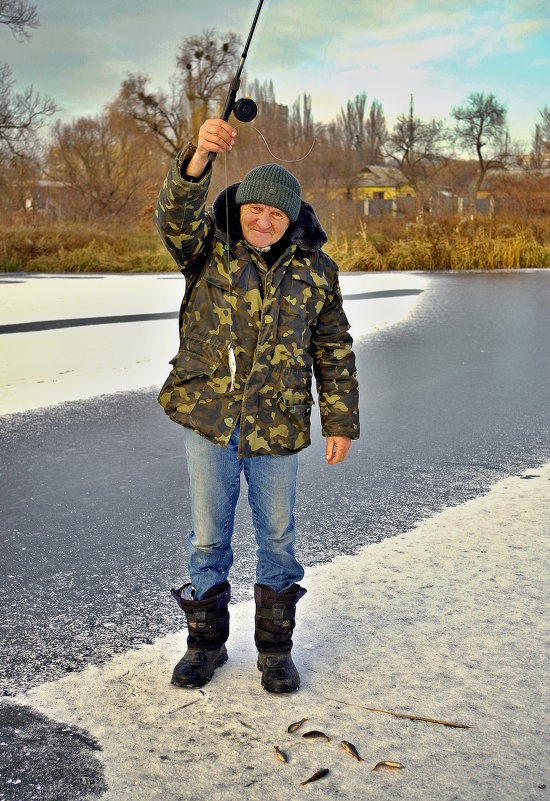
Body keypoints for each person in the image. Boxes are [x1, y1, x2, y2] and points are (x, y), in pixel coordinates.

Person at [155, 117, 359, 694]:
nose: (264, 219)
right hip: (209, 420)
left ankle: (274, 652)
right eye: (255, 209)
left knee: (276, 539)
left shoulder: (316, 272)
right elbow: (174, 218)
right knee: (208, 539)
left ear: (291, 218)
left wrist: (339, 421)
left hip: (279, 425)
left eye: (276, 213)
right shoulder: (208, 252)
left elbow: (333, 349)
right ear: (240, 209)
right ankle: (205, 647)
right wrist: (198, 157)